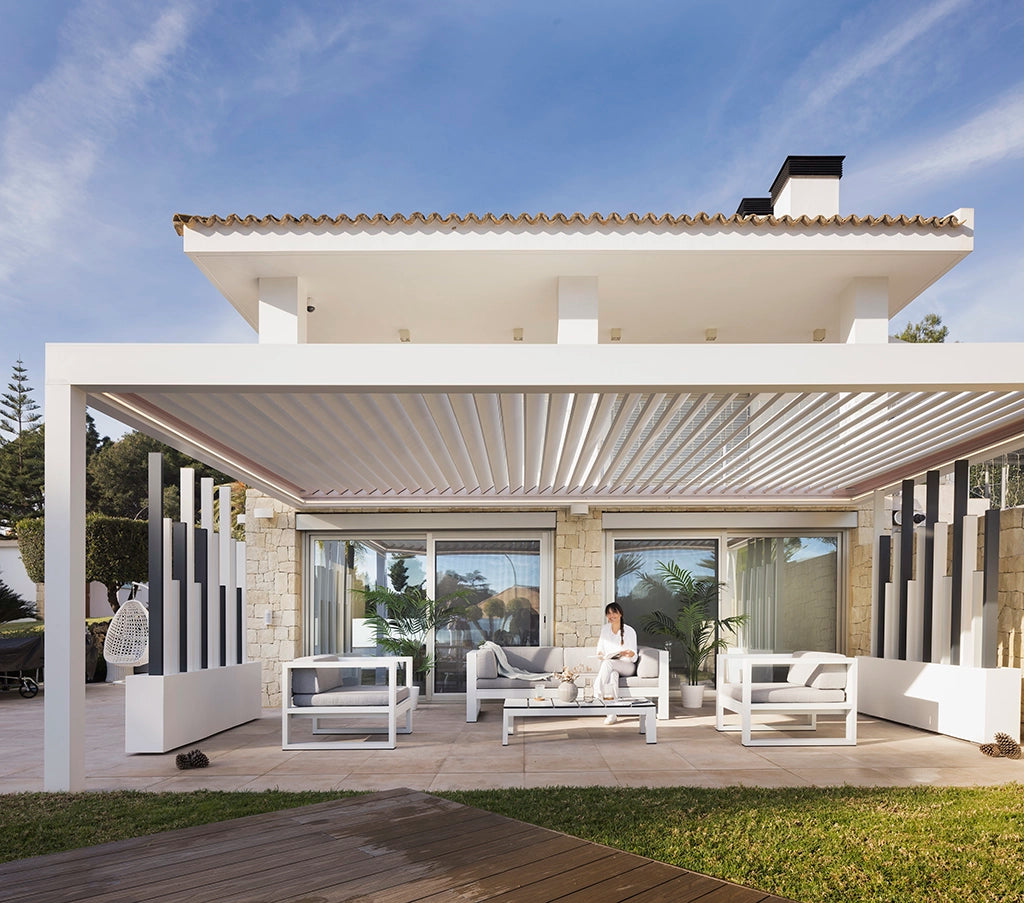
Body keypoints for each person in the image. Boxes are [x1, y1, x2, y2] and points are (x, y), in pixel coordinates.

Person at [593, 601, 638, 724]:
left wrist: (631, 654)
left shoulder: (629, 631)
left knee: (608, 663)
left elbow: (634, 655)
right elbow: (600, 650)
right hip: (612, 666)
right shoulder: (605, 629)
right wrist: (601, 655)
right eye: (608, 613)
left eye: (614, 613)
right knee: (612, 674)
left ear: (620, 614)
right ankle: (612, 713)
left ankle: (597, 691)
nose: (611, 616)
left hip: (627, 666)